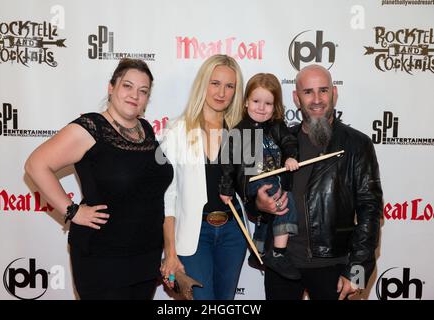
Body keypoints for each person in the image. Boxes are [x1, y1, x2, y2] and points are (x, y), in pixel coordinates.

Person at [24, 58, 173, 300]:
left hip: (145, 256)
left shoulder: (145, 129)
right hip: (104, 257)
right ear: (111, 88)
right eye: (127, 86)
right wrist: (72, 211)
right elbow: (36, 164)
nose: (135, 95)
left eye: (143, 91)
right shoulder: (90, 127)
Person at [159, 54, 281, 300]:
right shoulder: (177, 131)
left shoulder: (243, 131)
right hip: (195, 234)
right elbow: (168, 198)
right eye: (215, 83)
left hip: (233, 233)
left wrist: (261, 202)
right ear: (203, 83)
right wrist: (170, 252)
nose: (221, 92)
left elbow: (250, 188)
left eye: (230, 86)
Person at [260, 64, 383, 300]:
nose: (316, 99)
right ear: (296, 98)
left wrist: (356, 273)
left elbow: (370, 212)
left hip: (334, 267)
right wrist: (259, 203)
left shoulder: (357, 144)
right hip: (282, 263)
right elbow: (256, 195)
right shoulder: (279, 142)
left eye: (323, 91)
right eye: (308, 92)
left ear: (334, 94)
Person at [218, 73, 301, 280]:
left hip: (275, 178)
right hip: (253, 181)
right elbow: (227, 162)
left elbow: (290, 142)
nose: (261, 108)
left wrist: (291, 156)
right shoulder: (239, 131)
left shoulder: (277, 127)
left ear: (275, 106)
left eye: (268, 103)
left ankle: (259, 251)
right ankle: (279, 253)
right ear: (246, 101)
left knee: (267, 216)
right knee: (284, 201)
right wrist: (226, 189)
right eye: (256, 101)